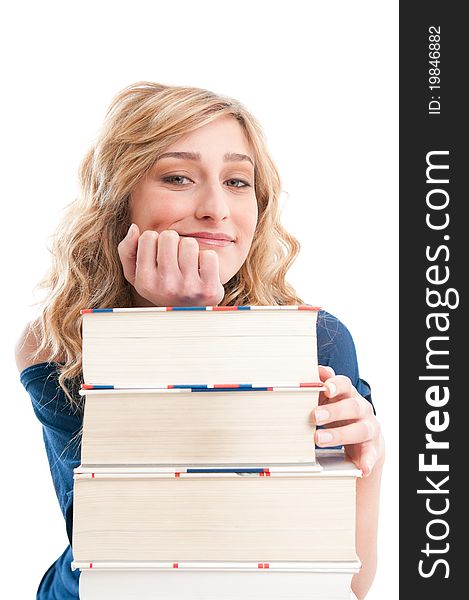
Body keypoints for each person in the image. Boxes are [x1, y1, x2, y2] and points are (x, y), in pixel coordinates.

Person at [15, 81, 385, 600]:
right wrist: (181, 331)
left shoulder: (316, 340)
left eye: (237, 181)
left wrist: (369, 458)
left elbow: (348, 583)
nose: (216, 208)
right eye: (178, 177)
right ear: (120, 201)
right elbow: (124, 550)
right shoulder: (61, 342)